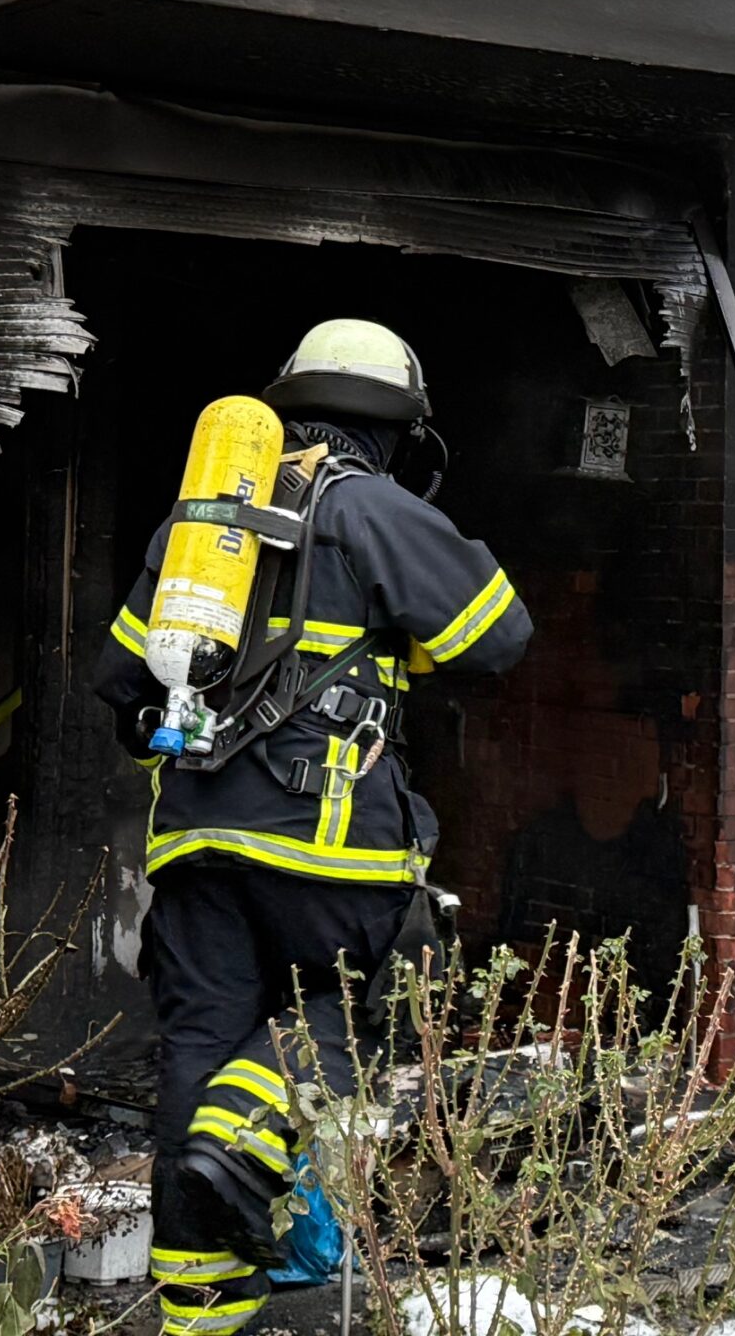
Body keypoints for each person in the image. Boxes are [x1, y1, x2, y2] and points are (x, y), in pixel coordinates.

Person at [90, 320, 531, 1336]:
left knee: (200, 1047)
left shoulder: (200, 528)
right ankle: (241, 1143)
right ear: (399, 425)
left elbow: (121, 681)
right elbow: (498, 638)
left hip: (194, 842)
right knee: (368, 998)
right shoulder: (375, 511)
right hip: (327, 838)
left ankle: (199, 1312)